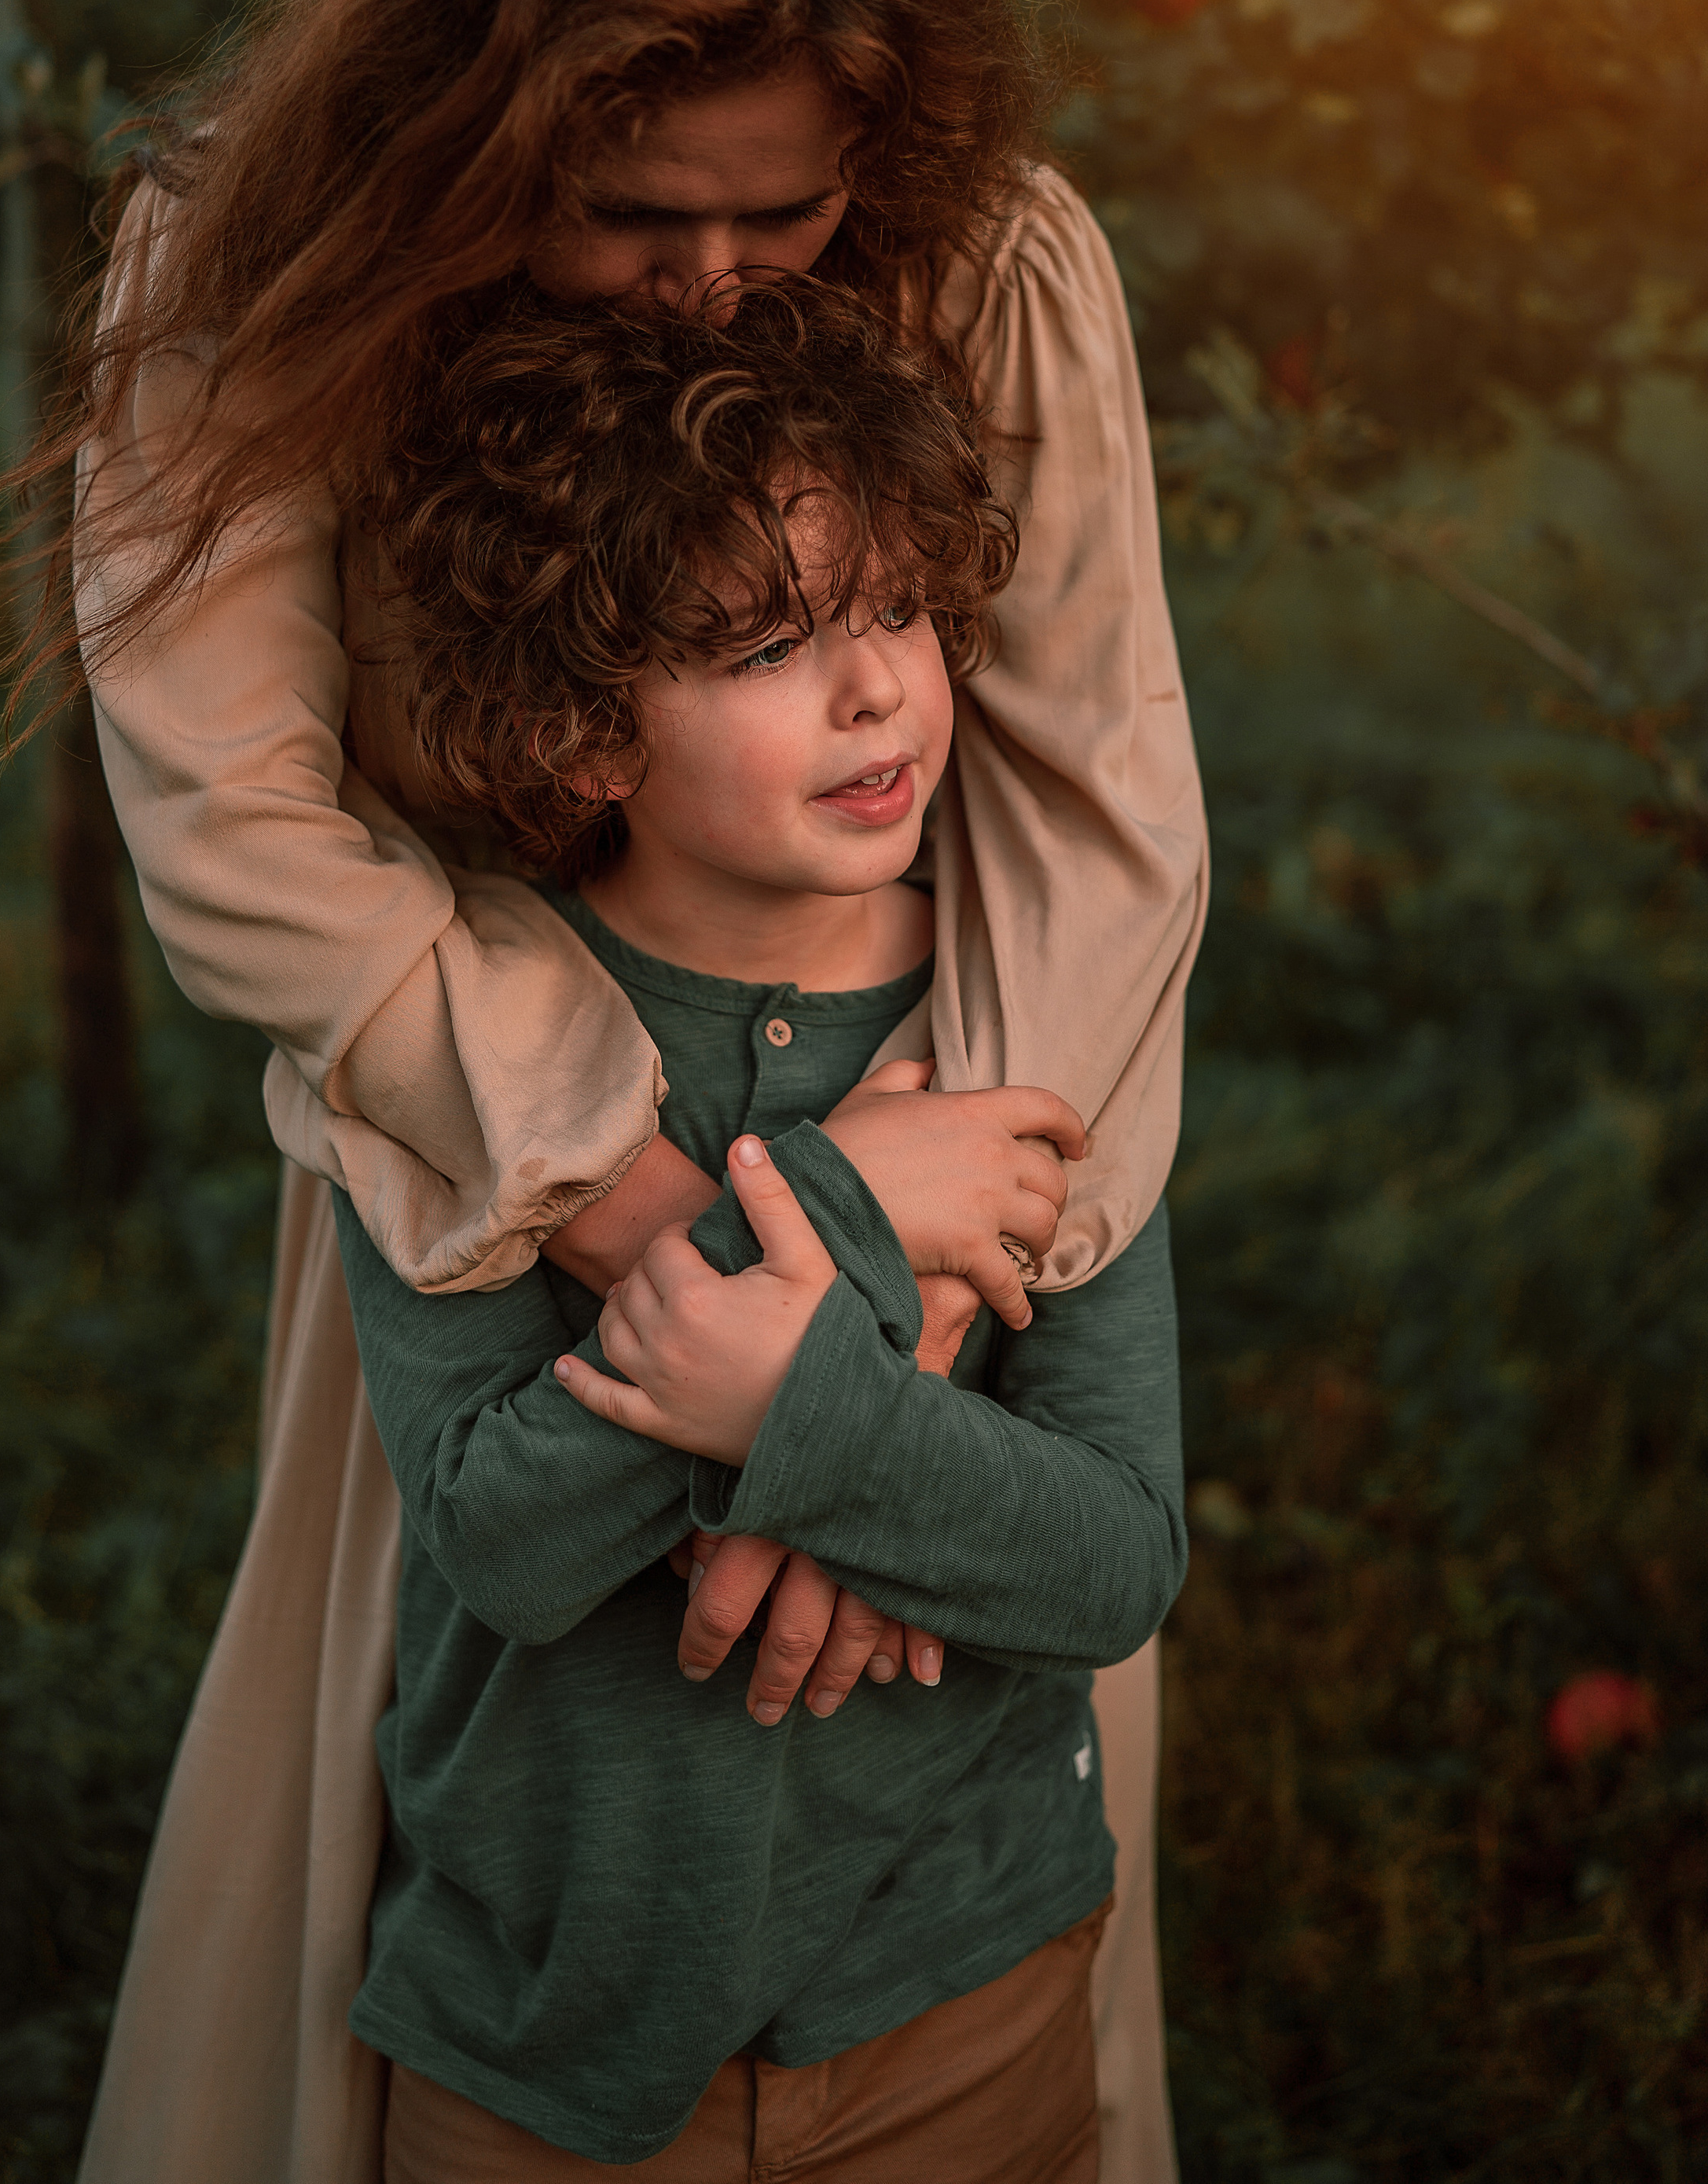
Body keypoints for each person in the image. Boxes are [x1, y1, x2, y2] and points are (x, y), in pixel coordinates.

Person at [63, 0, 1207, 2184]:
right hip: (485, 1168)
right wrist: (691, 1240)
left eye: (776, 216)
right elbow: (242, 828)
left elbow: (1097, 808)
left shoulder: (988, 259)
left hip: (971, 1179)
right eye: (626, 211)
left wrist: (898, 1323)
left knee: (920, 1829)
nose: (708, 283)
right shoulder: (251, 258)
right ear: (477, 122)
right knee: (526, 1778)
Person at [340, 274, 1186, 2179]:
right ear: (580, 732)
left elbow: (1115, 1558)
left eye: (892, 606)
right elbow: (502, 1537)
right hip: (535, 2038)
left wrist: (786, 1397)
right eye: (760, 644)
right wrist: (836, 1217)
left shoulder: (1035, 1018)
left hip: (956, 2002)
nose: (876, 684)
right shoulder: (454, 1033)